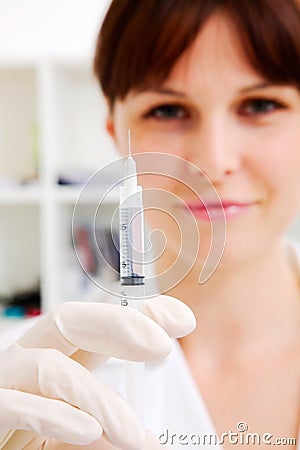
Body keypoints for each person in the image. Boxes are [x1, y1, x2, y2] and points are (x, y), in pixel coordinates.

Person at [0, 0, 300, 448]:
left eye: (260, 104)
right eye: (167, 111)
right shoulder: (24, 379)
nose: (215, 162)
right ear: (114, 131)